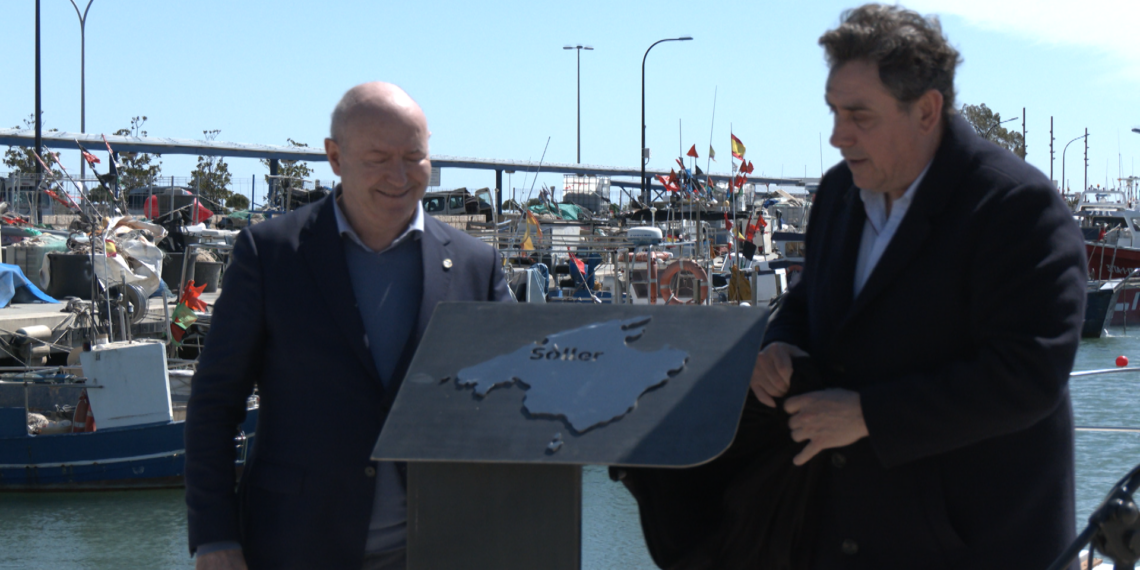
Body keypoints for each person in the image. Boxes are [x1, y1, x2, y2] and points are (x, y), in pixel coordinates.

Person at [751, 5, 1086, 569]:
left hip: (979, 549)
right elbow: (810, 302)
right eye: (834, 112)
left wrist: (869, 416)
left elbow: (1029, 375)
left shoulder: (1016, 208)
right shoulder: (838, 194)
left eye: (859, 115)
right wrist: (778, 344)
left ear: (927, 111)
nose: (837, 136)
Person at [185, 82, 511, 570]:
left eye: (414, 157)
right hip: (294, 546)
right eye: (378, 158)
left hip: (441, 547)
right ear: (335, 157)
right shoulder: (270, 254)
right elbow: (214, 403)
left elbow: (518, 396)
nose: (399, 176)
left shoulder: (475, 265)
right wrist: (214, 537)